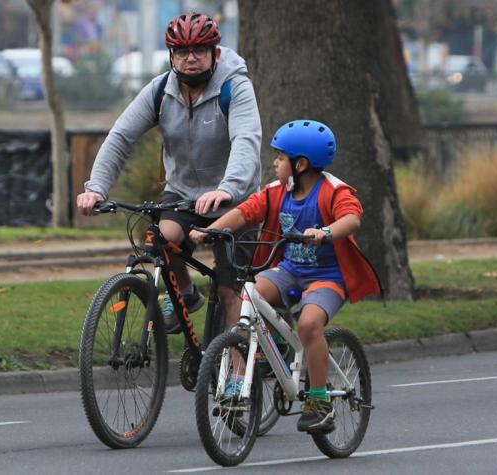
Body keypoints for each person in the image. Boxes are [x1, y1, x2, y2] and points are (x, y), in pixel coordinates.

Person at [189, 119, 381, 434]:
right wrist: (212, 230)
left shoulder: (332, 190)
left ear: (301, 164)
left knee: (308, 324)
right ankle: (258, 361)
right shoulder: (277, 192)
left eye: (280, 158)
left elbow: (352, 218)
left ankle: (319, 402)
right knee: (249, 295)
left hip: (327, 277)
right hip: (290, 271)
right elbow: (245, 212)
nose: (274, 163)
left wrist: (325, 232)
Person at [76, 12, 261, 334]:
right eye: (182, 52)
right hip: (183, 193)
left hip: (235, 199)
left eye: (199, 51)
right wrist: (96, 187)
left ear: (215, 53)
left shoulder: (236, 88)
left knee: (231, 289)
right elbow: (121, 136)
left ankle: (236, 374)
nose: (191, 58)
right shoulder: (161, 90)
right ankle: (186, 295)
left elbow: (246, 139)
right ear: (171, 55)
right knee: (161, 239)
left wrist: (228, 188)